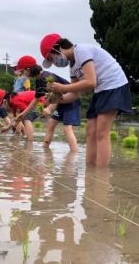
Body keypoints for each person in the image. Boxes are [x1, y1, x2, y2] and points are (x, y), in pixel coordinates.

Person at [41, 33, 132, 167]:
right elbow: (75, 94)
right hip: (101, 90)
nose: (54, 63)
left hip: (114, 85)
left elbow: (91, 82)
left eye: (51, 58)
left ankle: (101, 174)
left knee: (101, 132)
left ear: (57, 47)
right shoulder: (72, 67)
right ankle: (90, 171)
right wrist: (56, 99)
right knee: (90, 131)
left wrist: (63, 87)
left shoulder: (81, 51)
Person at [14, 55, 81, 151]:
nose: (23, 73)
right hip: (61, 102)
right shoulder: (39, 79)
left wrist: (49, 108)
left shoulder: (45, 77)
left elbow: (57, 94)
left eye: (23, 71)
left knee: (67, 128)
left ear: (28, 69)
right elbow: (36, 98)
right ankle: (45, 150)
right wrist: (23, 114)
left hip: (71, 100)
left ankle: (73, 155)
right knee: (51, 124)